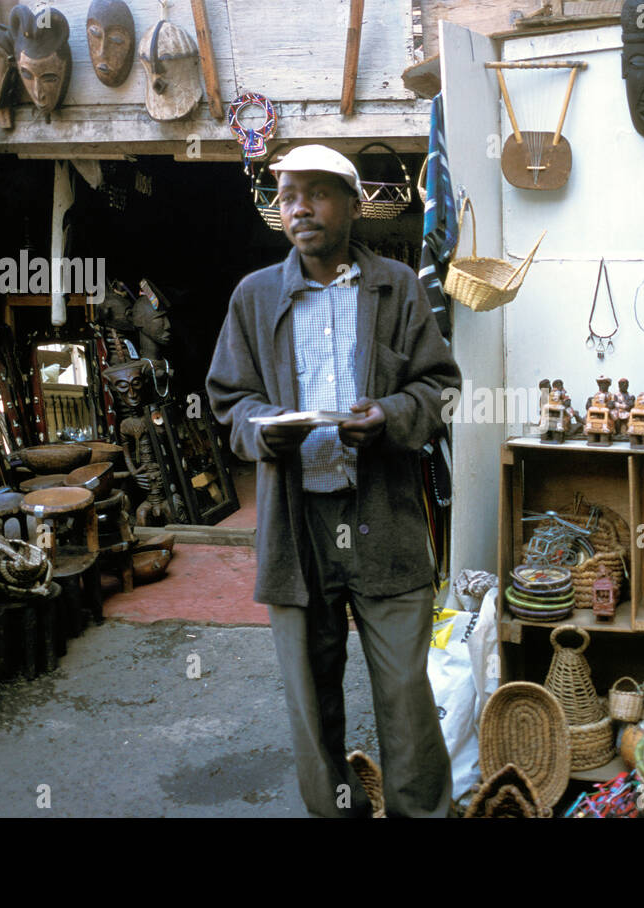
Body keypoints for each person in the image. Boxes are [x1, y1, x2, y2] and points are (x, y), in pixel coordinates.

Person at [206, 145, 461, 817]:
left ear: (353, 205)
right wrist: (263, 429)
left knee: (406, 695)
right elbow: (230, 400)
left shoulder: (397, 286)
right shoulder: (256, 296)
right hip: (299, 528)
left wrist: (391, 415)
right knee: (311, 708)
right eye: (288, 195)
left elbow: (439, 387)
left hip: (385, 516)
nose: (300, 208)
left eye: (318, 194)